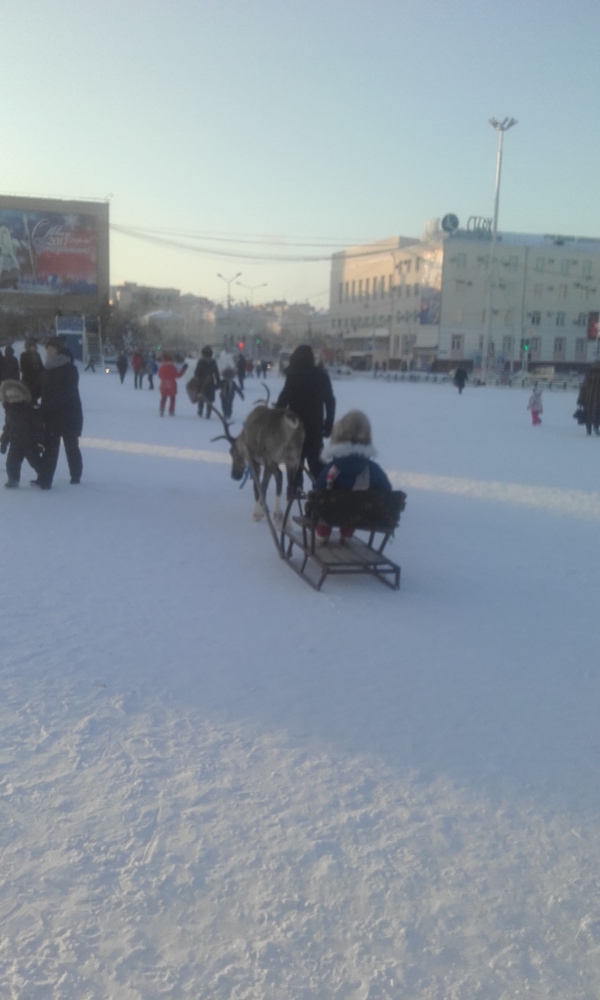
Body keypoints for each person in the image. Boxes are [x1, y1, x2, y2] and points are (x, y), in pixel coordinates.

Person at [312, 410, 391, 544]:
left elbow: (318, 488)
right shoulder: (373, 469)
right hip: (358, 515)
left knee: (325, 505)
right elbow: (386, 489)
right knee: (354, 507)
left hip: (331, 514)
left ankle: (322, 534)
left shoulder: (333, 468)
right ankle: (347, 534)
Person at [276, 344, 335, 491]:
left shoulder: (293, 375)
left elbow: (283, 400)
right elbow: (330, 400)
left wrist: (276, 415)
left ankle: (295, 488)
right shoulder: (321, 375)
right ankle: (323, 490)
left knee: (296, 460)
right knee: (316, 461)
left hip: (295, 428)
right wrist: (329, 423)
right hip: (316, 426)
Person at [33, 336, 83, 489]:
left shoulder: (69, 368)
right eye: (47, 348)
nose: (48, 351)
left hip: (69, 415)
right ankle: (44, 480)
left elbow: (68, 393)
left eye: (52, 348)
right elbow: (37, 390)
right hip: (51, 416)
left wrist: (47, 407)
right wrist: (24, 396)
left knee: (71, 446)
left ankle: (75, 475)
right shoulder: (46, 369)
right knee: (50, 448)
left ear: (59, 350)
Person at [0, 379, 43, 487]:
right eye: (10, 398)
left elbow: (38, 427)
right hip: (15, 444)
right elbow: (7, 429)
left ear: (22, 396)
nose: (14, 400)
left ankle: (44, 477)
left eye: (16, 397)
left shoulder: (29, 410)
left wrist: (40, 442)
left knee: (36, 463)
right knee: (11, 464)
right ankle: (13, 480)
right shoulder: (9, 413)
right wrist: (4, 442)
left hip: (30, 444)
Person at [193, 346, 220, 419]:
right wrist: (218, 383)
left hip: (201, 382)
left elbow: (196, 373)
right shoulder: (213, 362)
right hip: (210, 382)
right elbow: (216, 373)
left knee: (201, 396)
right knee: (210, 399)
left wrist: (196, 380)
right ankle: (208, 413)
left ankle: (200, 411)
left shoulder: (201, 362)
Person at [577, 361, 600, 436]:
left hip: (588, 399)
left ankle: (588, 429)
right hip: (598, 399)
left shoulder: (588, 374)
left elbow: (583, 388)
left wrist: (580, 399)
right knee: (597, 414)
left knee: (588, 413)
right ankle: (596, 427)